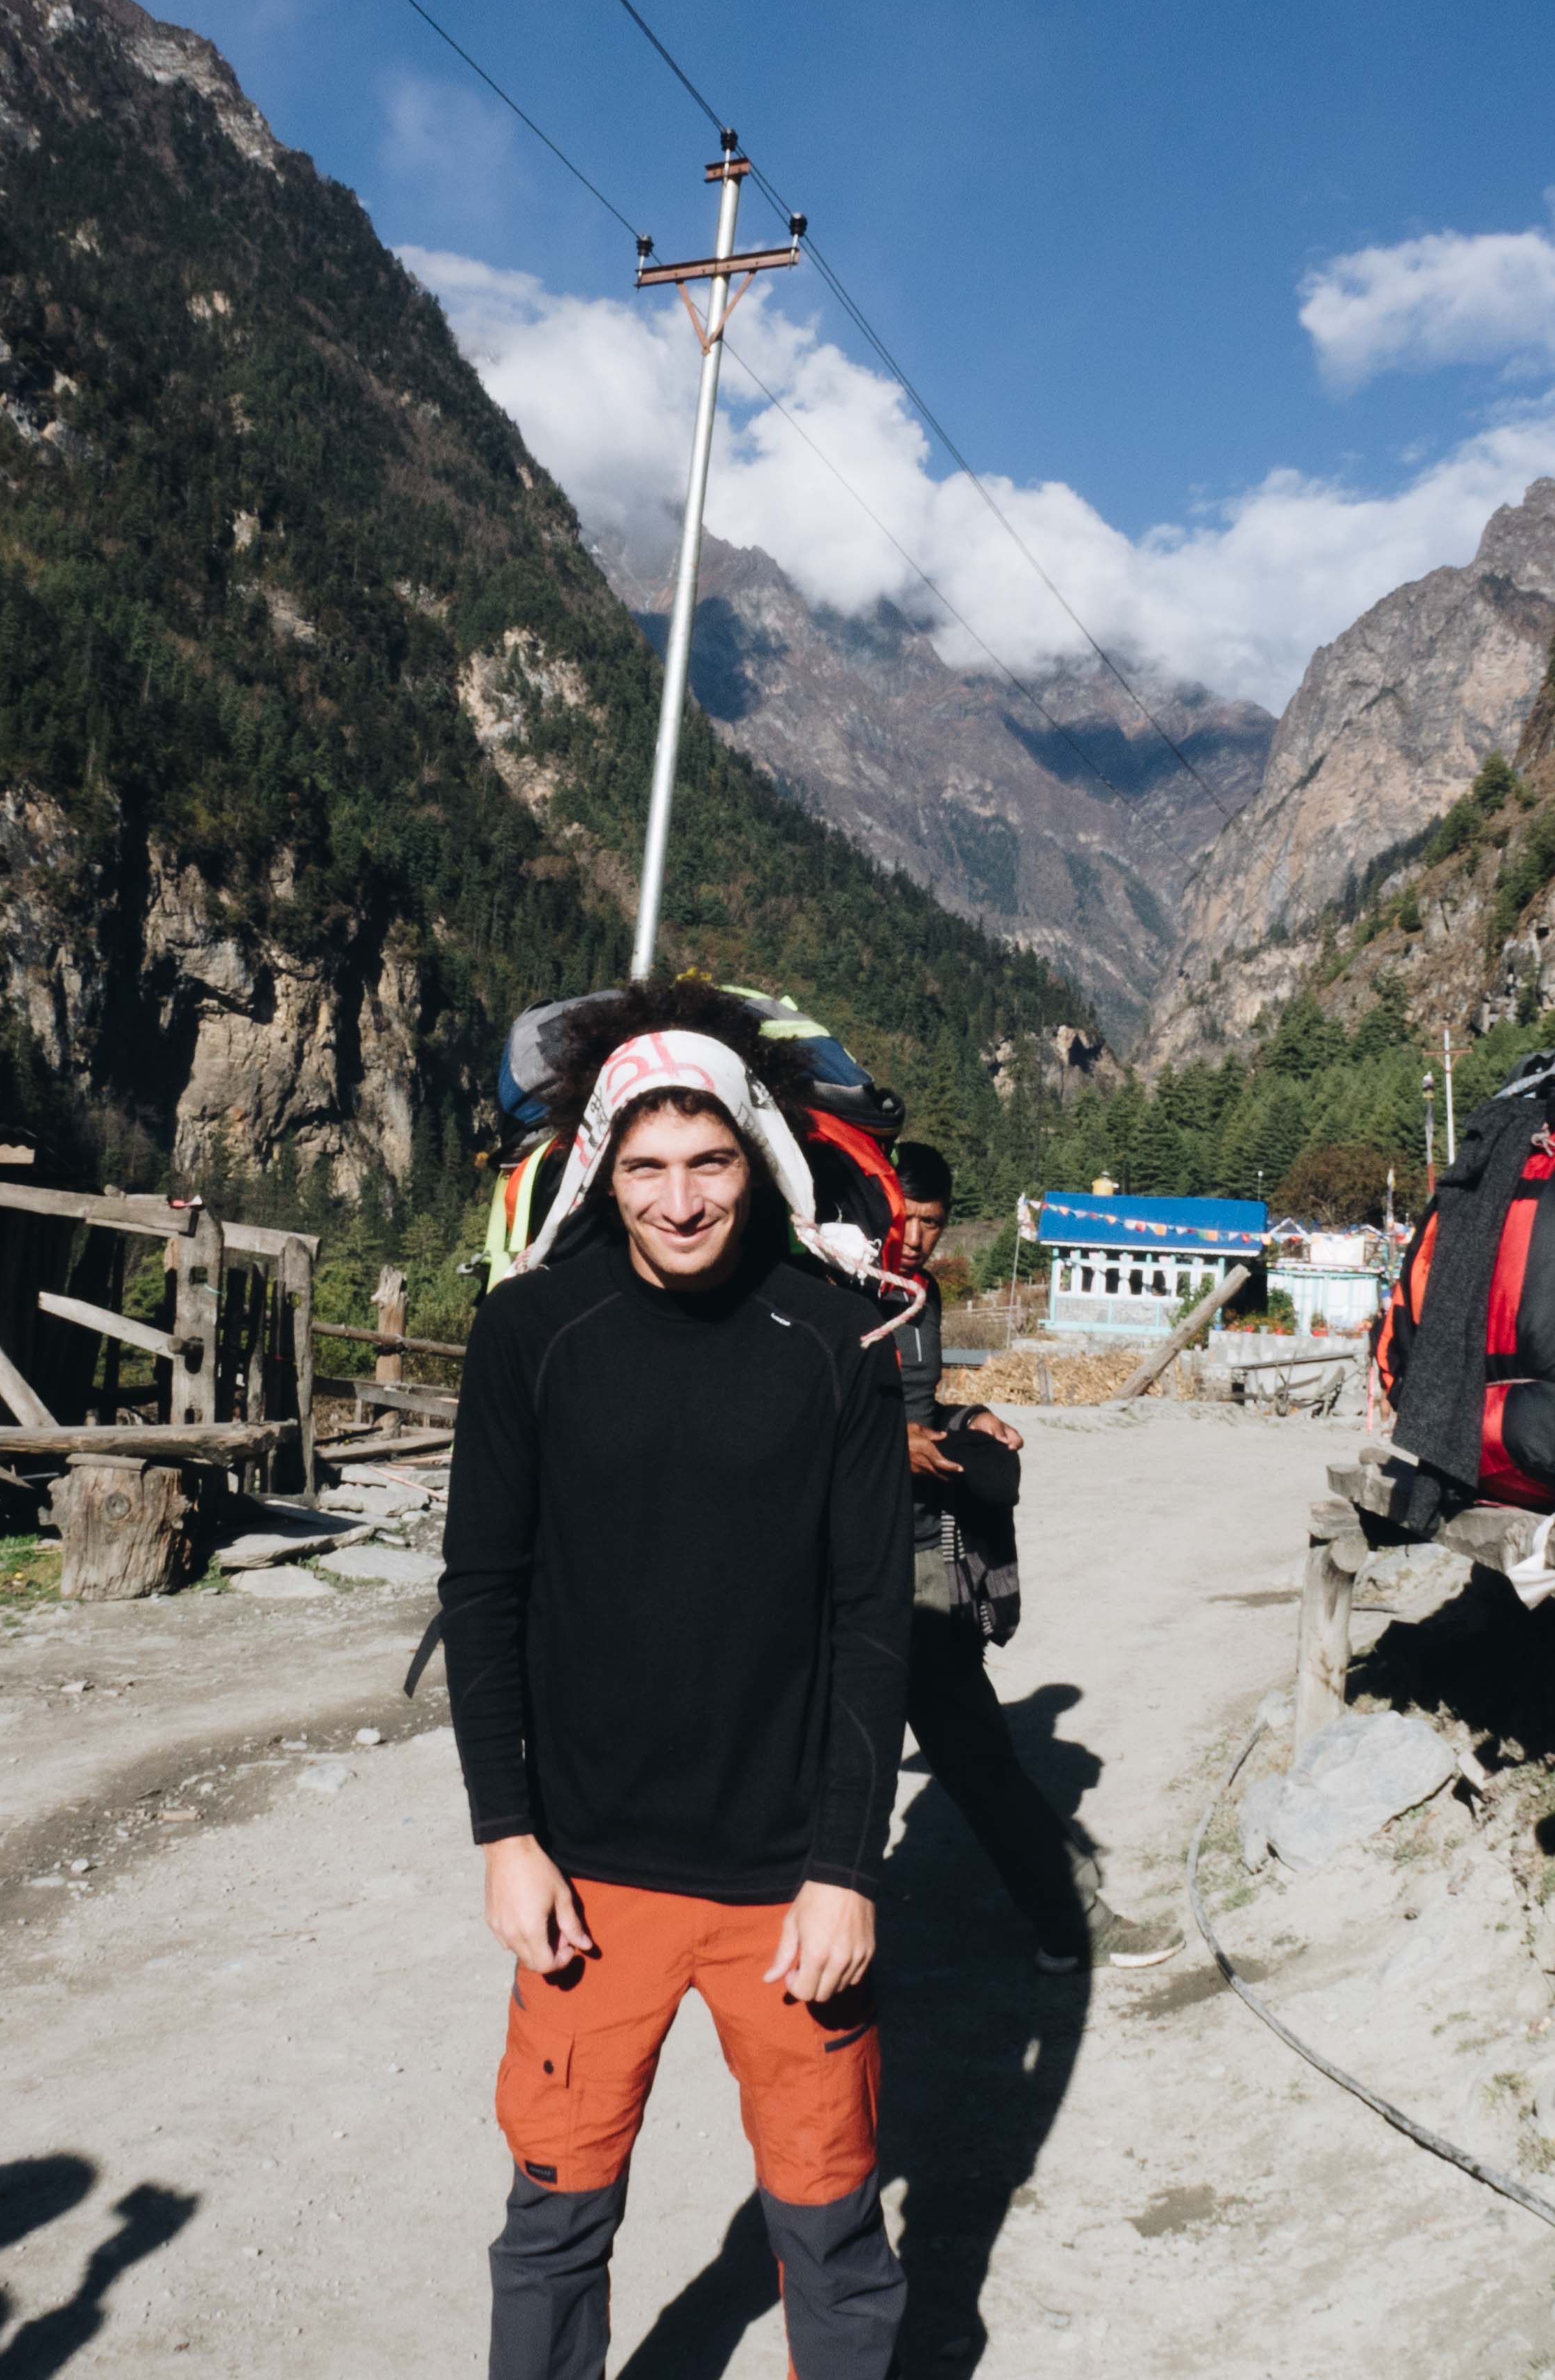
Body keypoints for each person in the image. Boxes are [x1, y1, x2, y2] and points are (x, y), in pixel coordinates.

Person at [441, 983, 914, 2380]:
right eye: (646, 1166)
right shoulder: (532, 1332)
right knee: (552, 2221)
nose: (681, 1199)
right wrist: (506, 1835)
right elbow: (483, 1593)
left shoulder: (834, 1338)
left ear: (756, 1156)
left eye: (709, 1161)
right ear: (601, 1165)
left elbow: (871, 1616)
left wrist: (846, 1868)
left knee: (830, 2225)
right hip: (587, 1879)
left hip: (785, 1884)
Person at [893, 1142, 1180, 1974]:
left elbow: (919, 1408)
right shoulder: (826, 1295)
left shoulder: (923, 1298)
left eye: (932, 1223)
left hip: (921, 1560)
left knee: (978, 1753)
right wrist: (884, 1444)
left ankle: (1073, 1921)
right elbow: (790, 1424)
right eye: (903, 1218)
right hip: (837, 1571)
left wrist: (969, 1419)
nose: (914, 1238)